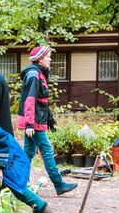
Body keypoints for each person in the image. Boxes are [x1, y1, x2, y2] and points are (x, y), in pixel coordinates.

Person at [17, 46, 77, 195]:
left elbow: (41, 101)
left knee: (28, 152)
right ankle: (59, 184)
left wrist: (50, 118)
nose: (50, 59)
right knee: (47, 150)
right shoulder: (33, 74)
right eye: (48, 56)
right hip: (34, 121)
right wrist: (29, 123)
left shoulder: (40, 73)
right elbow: (29, 100)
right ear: (39, 58)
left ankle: (20, 182)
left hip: (37, 119)